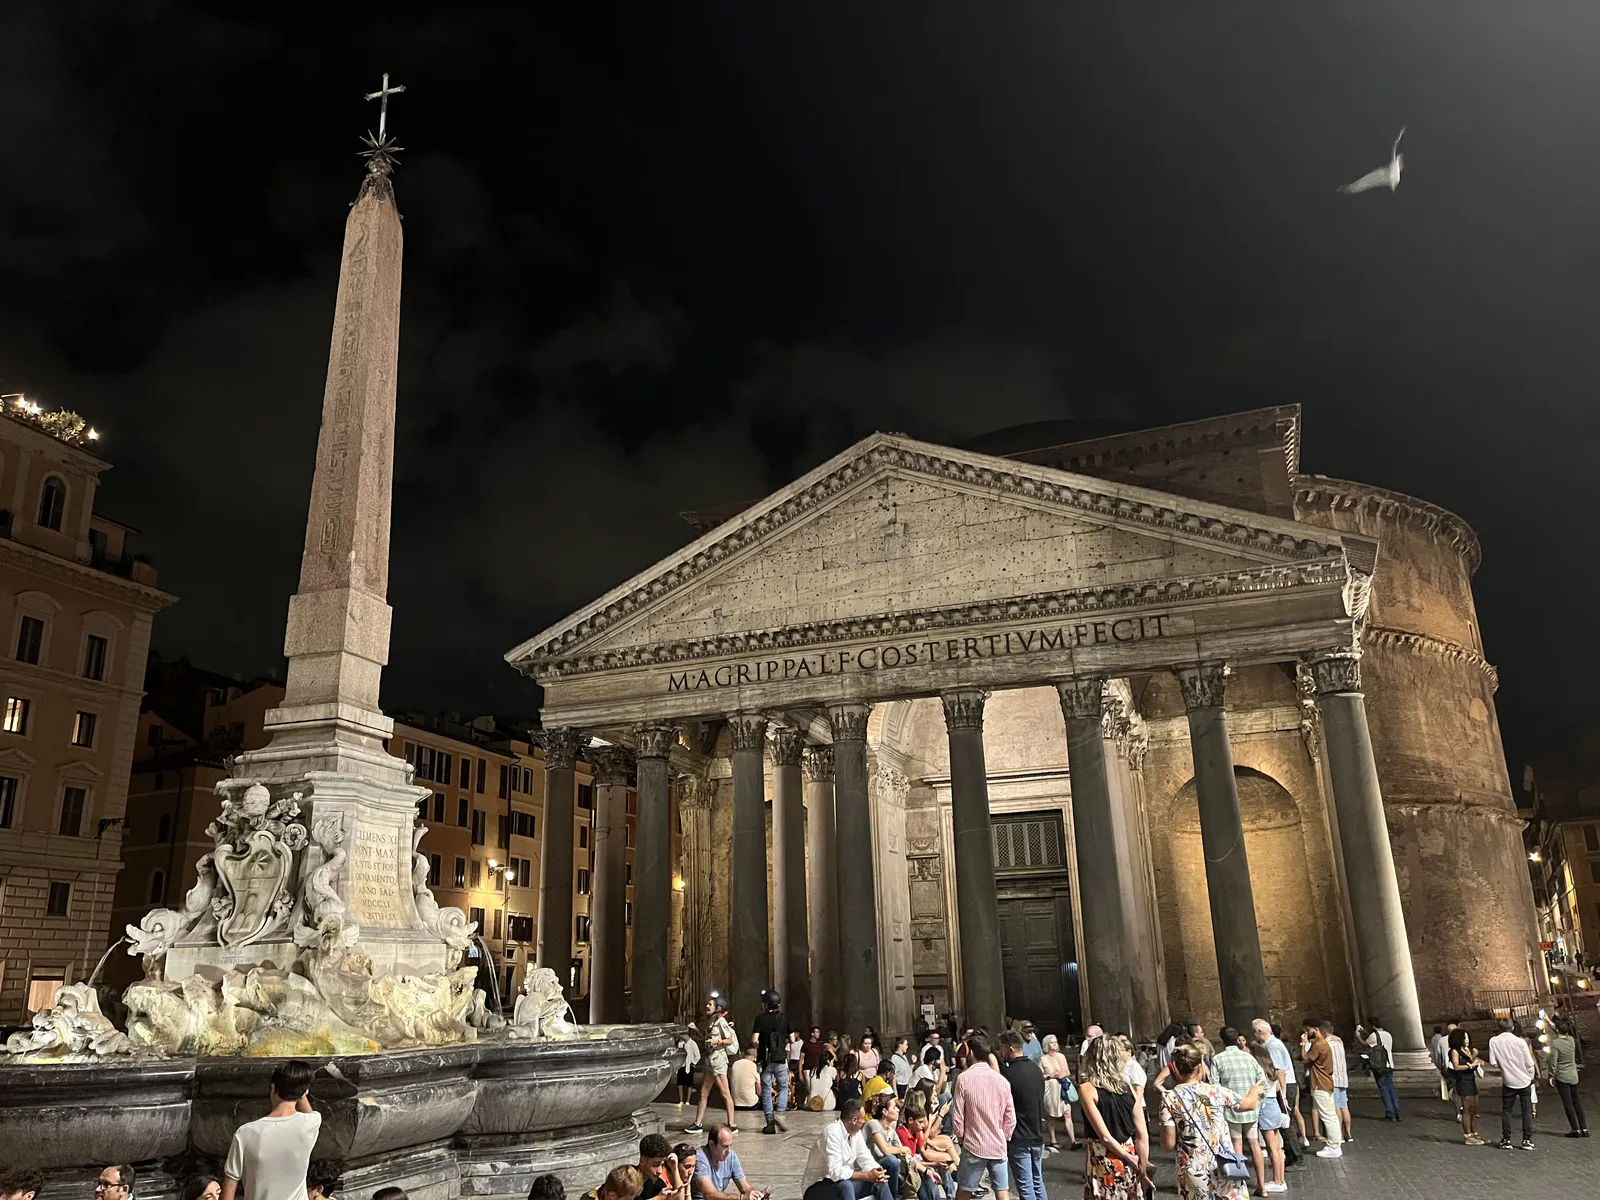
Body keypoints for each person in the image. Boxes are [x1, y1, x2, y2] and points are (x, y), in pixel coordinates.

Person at [1160, 1042, 1263, 1200]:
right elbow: (1249, 1104)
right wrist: (1254, 1091)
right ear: (1200, 1067)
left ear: (1175, 1069)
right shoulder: (1216, 1091)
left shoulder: (1169, 1098)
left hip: (1192, 1168)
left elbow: (1168, 1144)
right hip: (1223, 1164)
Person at [220, 1061, 321, 1200]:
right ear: (304, 1092)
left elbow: (229, 1188)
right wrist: (302, 1092)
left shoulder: (246, 1133)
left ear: (273, 1088)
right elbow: (309, 1112)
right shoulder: (311, 1123)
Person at [1078, 1032, 1151, 1200]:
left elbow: (1104, 1136)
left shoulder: (1087, 1089)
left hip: (1103, 1155)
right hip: (1130, 1149)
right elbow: (1142, 1134)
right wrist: (1142, 1164)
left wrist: (1127, 1158)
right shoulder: (1127, 1087)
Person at [951, 1032, 1015, 1200]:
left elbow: (957, 1116)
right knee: (1002, 1191)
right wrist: (1004, 1136)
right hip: (998, 1144)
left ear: (971, 1053)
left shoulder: (963, 1079)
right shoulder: (1002, 1081)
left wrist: (961, 1138)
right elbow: (1010, 1117)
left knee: (965, 1190)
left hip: (974, 1143)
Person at [800, 1099, 894, 1200]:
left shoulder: (856, 1134)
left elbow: (866, 1158)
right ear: (854, 1120)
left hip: (842, 1183)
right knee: (846, 1185)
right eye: (863, 1118)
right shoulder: (832, 1132)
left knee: (880, 1182)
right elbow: (835, 1172)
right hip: (817, 1187)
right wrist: (867, 1175)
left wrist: (876, 1172)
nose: (864, 1121)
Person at [1211, 1028, 1268, 1193]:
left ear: (1222, 1040)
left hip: (1231, 1109)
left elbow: (1215, 1087)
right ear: (1237, 1039)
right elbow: (1262, 1083)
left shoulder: (1218, 1059)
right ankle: (1262, 1186)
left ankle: (1239, 1186)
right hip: (1251, 1108)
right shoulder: (1249, 1058)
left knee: (1237, 1143)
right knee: (1255, 1144)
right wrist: (1258, 1103)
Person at [996, 1031, 1046, 1200]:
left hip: (1019, 1135)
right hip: (1037, 1133)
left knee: (1026, 1187)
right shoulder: (1036, 1069)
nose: (1001, 1052)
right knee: (1037, 1182)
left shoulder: (1009, 1074)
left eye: (1002, 1049)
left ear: (1010, 1049)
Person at [687, 1001, 739, 1134]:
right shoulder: (711, 1022)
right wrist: (696, 1029)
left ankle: (732, 1124)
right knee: (703, 1093)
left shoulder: (721, 1021)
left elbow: (729, 1040)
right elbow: (707, 1038)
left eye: (710, 1004)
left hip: (719, 1060)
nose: (707, 1006)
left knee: (725, 1092)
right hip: (710, 1060)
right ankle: (698, 1124)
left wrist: (718, 1041)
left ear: (717, 1008)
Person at [1488, 1017, 1538, 1150]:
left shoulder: (1494, 1041)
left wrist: (1504, 1065)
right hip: (1524, 1080)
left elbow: (1493, 1062)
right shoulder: (1520, 1042)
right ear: (1513, 1027)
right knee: (1526, 1110)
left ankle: (1506, 1139)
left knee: (1507, 1111)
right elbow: (1530, 1063)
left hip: (1508, 1080)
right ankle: (1527, 1139)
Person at [1247, 1040, 1287, 1195]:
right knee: (1277, 1146)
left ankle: (1277, 1181)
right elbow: (1276, 1088)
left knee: (1272, 1147)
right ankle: (1281, 1179)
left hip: (1265, 1105)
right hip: (1274, 1104)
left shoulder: (1259, 1071)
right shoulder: (1271, 1069)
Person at [752, 989, 794, 1134]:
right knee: (783, 1086)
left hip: (765, 1060)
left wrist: (760, 1044)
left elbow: (754, 1040)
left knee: (766, 1090)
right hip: (780, 1058)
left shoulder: (760, 1019)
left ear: (765, 1004)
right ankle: (780, 1114)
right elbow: (792, 1039)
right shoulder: (785, 1018)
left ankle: (770, 1123)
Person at [1298, 1022, 1341, 1159]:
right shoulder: (1323, 1044)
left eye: (1308, 1030)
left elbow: (1305, 1058)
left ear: (1316, 1029)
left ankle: (1333, 1146)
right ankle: (1335, 1143)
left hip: (1320, 1084)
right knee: (1331, 1115)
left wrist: (1303, 1043)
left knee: (1327, 1116)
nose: (1306, 1033)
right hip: (1326, 1083)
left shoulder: (1318, 1045)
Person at [865, 1093, 914, 1196]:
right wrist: (903, 1149)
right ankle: (894, 1196)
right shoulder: (873, 1123)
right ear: (885, 1111)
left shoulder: (891, 1131)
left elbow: (903, 1151)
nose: (898, 1110)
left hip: (883, 1168)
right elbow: (886, 1150)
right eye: (894, 1107)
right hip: (869, 1167)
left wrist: (926, 1169)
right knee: (892, 1160)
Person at [1546, 1014, 1586, 1137]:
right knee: (1577, 1102)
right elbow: (1560, 1031)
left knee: (1568, 1103)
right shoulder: (1571, 1040)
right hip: (1573, 1075)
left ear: (1558, 1031)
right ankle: (1584, 1128)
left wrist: (1551, 1075)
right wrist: (1548, 1020)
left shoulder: (1555, 1044)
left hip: (1562, 1076)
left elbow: (1553, 1062)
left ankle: (1575, 1129)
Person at [1037, 1033, 1078, 1154]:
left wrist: (1062, 1074)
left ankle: (1073, 1140)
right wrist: (1050, 1075)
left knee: (1068, 1113)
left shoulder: (1061, 1056)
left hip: (1062, 1088)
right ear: (1047, 1045)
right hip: (1050, 1090)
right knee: (1051, 1116)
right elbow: (1040, 1075)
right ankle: (1053, 1139)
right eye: (1052, 1042)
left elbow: (1067, 1072)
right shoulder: (1043, 1059)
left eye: (1056, 1042)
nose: (1055, 1044)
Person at [692, 1125, 758, 1200]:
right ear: (712, 1144)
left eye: (730, 1146)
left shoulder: (731, 1156)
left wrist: (756, 1194)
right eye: (725, 1146)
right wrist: (741, 1198)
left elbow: (745, 1187)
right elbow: (709, 1194)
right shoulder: (700, 1158)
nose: (728, 1151)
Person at [1355, 1017, 1399, 1122]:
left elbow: (1365, 1044)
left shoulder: (1373, 1036)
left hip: (1380, 1065)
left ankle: (1390, 1113)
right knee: (1391, 1088)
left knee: (1383, 1089)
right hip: (1390, 1064)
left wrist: (1357, 1035)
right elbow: (1375, 1040)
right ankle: (1397, 1112)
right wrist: (1365, 1032)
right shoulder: (1388, 1034)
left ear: (1372, 1026)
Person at [1447, 1028, 1483, 1145]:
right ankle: (1468, 1135)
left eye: (1467, 1037)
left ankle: (1474, 1133)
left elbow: (1471, 1061)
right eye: (1464, 1038)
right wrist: (1470, 1065)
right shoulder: (1454, 1051)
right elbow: (1456, 1066)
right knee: (1467, 1109)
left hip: (1471, 1079)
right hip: (1462, 1080)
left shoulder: (1466, 1050)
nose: (1467, 1040)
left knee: (1474, 1108)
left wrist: (1475, 1059)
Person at [1323, 1026, 1352, 1144]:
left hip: (1333, 1078)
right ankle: (1348, 1133)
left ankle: (1339, 1133)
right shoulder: (1340, 1042)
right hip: (1343, 1078)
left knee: (1336, 1107)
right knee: (1344, 1106)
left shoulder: (1327, 1044)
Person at [634, 1134, 683, 1200]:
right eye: (655, 1165)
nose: (660, 1171)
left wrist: (675, 1169)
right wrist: (658, 1198)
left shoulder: (656, 1183)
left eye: (662, 1165)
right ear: (643, 1161)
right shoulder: (626, 1178)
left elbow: (679, 1198)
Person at [679, 1028, 703, 1106]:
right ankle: (681, 1100)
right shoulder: (681, 1043)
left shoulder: (693, 1043)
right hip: (681, 1065)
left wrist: (693, 1063)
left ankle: (688, 1100)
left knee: (689, 1084)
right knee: (680, 1083)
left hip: (689, 1065)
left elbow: (698, 1055)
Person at [790, 1031, 807, 1109]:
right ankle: (792, 1101)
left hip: (798, 1062)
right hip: (792, 1062)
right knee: (792, 1083)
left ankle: (799, 1102)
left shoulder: (802, 1043)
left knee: (799, 1084)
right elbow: (788, 1055)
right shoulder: (790, 1044)